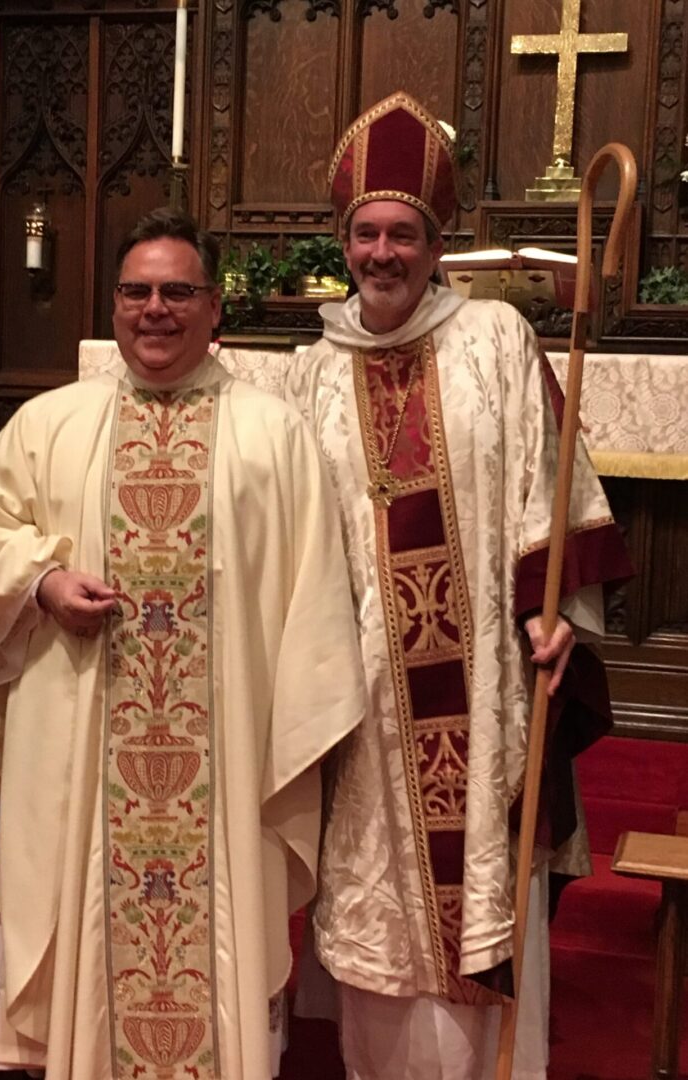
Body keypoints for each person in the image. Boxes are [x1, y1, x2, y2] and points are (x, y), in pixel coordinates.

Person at [0, 208, 366, 1080]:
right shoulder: (53, 423)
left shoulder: (272, 435)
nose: (155, 310)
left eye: (178, 292)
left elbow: (317, 595)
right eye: (136, 292)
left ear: (215, 309)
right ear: (115, 304)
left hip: (227, 766)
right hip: (83, 750)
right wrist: (45, 583)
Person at [285, 92, 633, 1079]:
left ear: (438, 245)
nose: (382, 252)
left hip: (482, 691)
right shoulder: (312, 374)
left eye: (403, 233)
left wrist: (557, 612)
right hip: (359, 702)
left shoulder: (497, 343)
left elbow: (549, 492)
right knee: (375, 919)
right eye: (366, 233)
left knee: (479, 892)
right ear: (343, 241)